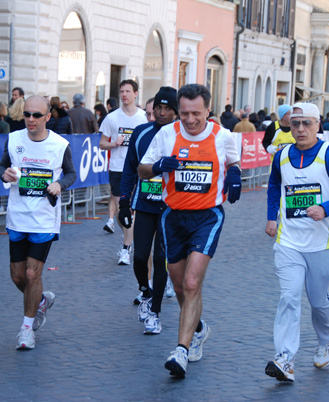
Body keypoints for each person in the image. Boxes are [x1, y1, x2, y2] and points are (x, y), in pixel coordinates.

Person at [138, 83, 242, 378]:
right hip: (173, 217)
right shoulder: (167, 134)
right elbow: (142, 170)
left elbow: (234, 161)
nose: (190, 119)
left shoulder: (222, 136)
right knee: (181, 286)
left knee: (193, 283)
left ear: (208, 110)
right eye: (184, 114)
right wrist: (158, 166)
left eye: (196, 113)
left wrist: (234, 175)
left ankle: (181, 350)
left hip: (207, 216)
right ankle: (198, 328)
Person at [264, 102, 329, 383]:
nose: (301, 129)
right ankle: (285, 358)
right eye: (295, 124)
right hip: (289, 242)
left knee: (318, 302)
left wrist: (326, 208)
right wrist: (271, 218)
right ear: (288, 126)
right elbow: (273, 187)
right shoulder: (281, 156)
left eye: (307, 123)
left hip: (322, 245)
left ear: (318, 125)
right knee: (289, 298)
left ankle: (327, 339)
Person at [0, 95, 77, 350]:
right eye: (27, 115)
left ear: (47, 117)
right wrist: (5, 173)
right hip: (18, 217)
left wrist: (59, 184)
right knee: (18, 276)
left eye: (36, 115)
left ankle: (26, 329)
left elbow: (72, 173)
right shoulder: (13, 139)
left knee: (33, 273)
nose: (31, 120)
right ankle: (40, 301)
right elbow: (1, 167)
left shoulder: (60, 144)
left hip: (43, 219)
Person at [119, 86, 178, 335]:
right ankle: (145, 291)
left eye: (168, 109)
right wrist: (124, 202)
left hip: (169, 208)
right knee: (141, 257)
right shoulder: (142, 133)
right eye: (159, 108)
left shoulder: (181, 135)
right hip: (144, 205)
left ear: (175, 112)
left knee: (161, 259)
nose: (162, 113)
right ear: (152, 109)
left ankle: (154, 313)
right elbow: (130, 169)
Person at [99, 80, 147, 265]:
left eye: (128, 91)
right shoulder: (112, 118)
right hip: (118, 168)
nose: (124, 94)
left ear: (135, 93)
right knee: (121, 213)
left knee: (131, 211)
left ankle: (126, 248)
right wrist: (114, 143)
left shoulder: (143, 117)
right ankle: (128, 237)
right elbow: (102, 144)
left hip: (139, 169)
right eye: (122, 91)